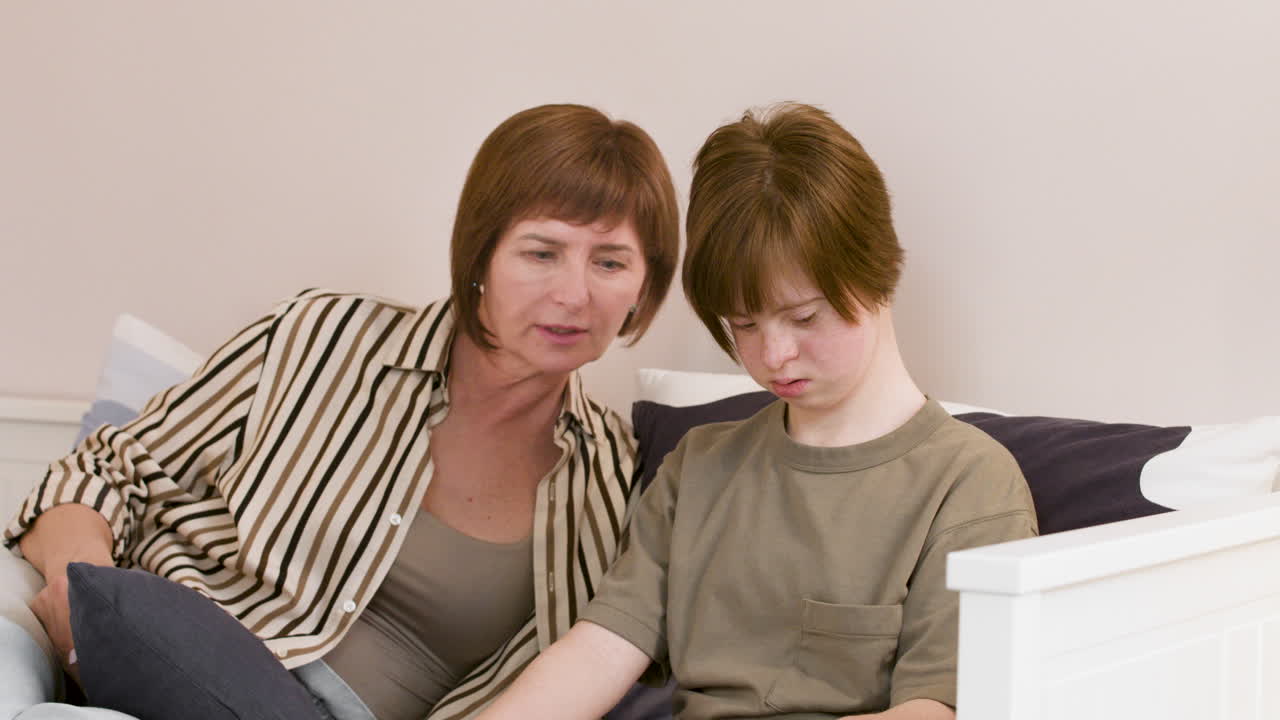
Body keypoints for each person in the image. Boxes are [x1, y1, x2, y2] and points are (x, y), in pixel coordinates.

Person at [4, 103, 680, 720]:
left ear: (644, 284)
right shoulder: (324, 336)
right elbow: (104, 469)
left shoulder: (614, 479)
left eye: (611, 263)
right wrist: (74, 582)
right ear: (482, 253)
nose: (574, 293)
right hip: (158, 659)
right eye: (541, 252)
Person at [476, 102, 1039, 720]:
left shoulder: (968, 482)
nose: (772, 354)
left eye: (804, 317)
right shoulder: (700, 466)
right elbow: (599, 652)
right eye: (743, 324)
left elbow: (935, 710)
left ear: (878, 273)